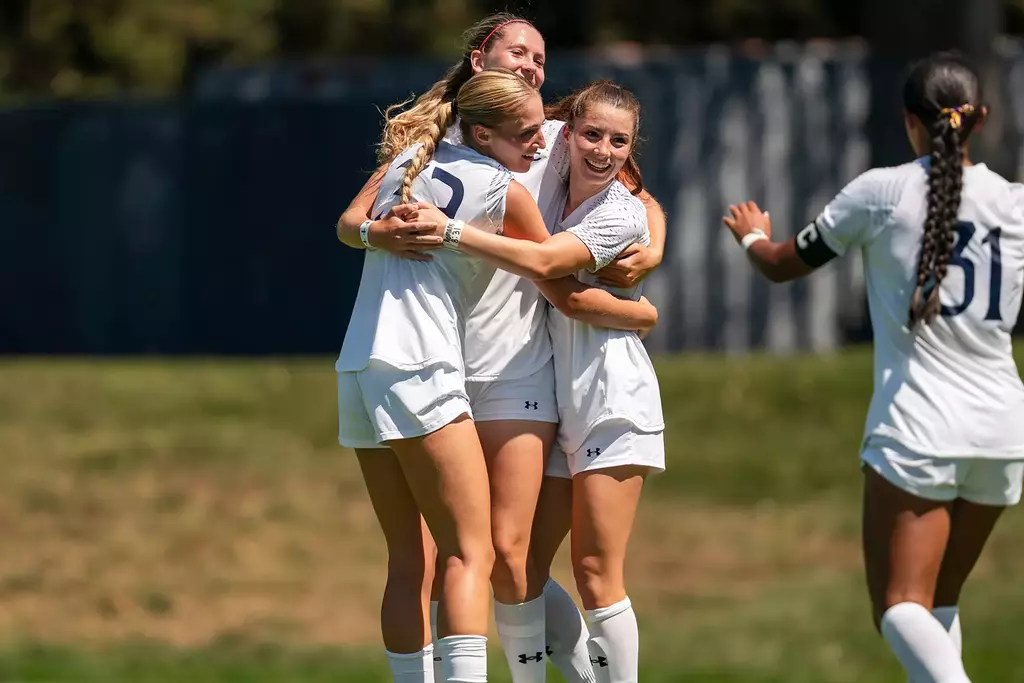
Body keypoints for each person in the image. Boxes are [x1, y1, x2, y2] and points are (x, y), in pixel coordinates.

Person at [337, 12, 667, 683]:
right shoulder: (444, 145)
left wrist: (651, 252)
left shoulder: (525, 136)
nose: (534, 66)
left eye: (543, 58)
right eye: (520, 50)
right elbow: (352, 220)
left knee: (497, 555)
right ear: (481, 55)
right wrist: (638, 315)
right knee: (458, 554)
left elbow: (635, 196)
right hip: (440, 366)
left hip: (501, 366)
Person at [720, 52, 1024, 683]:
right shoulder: (1017, 205)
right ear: (981, 119)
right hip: (1003, 431)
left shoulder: (882, 191)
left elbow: (781, 263)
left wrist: (751, 235)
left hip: (918, 428)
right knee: (937, 601)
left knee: (899, 605)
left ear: (909, 121)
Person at [413, 80, 665, 683]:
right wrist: (639, 310)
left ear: (632, 152)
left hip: (612, 400)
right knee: (515, 561)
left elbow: (552, 270)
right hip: (559, 396)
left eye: (619, 141)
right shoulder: (545, 151)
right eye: (592, 135)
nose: (602, 150)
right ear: (568, 134)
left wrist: (451, 232)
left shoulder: (620, 211)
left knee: (596, 572)